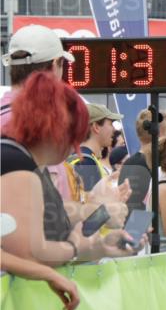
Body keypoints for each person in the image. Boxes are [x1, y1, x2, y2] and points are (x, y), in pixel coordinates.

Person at [1, 72, 135, 266]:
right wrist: (75, 247)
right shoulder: (16, 163)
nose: (75, 146)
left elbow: (56, 217)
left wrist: (100, 243)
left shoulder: (30, 164)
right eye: (74, 136)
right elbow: (29, 253)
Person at [69, 103, 122, 192]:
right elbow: (90, 200)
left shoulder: (84, 159)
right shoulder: (86, 162)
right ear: (96, 127)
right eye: (111, 123)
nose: (114, 129)